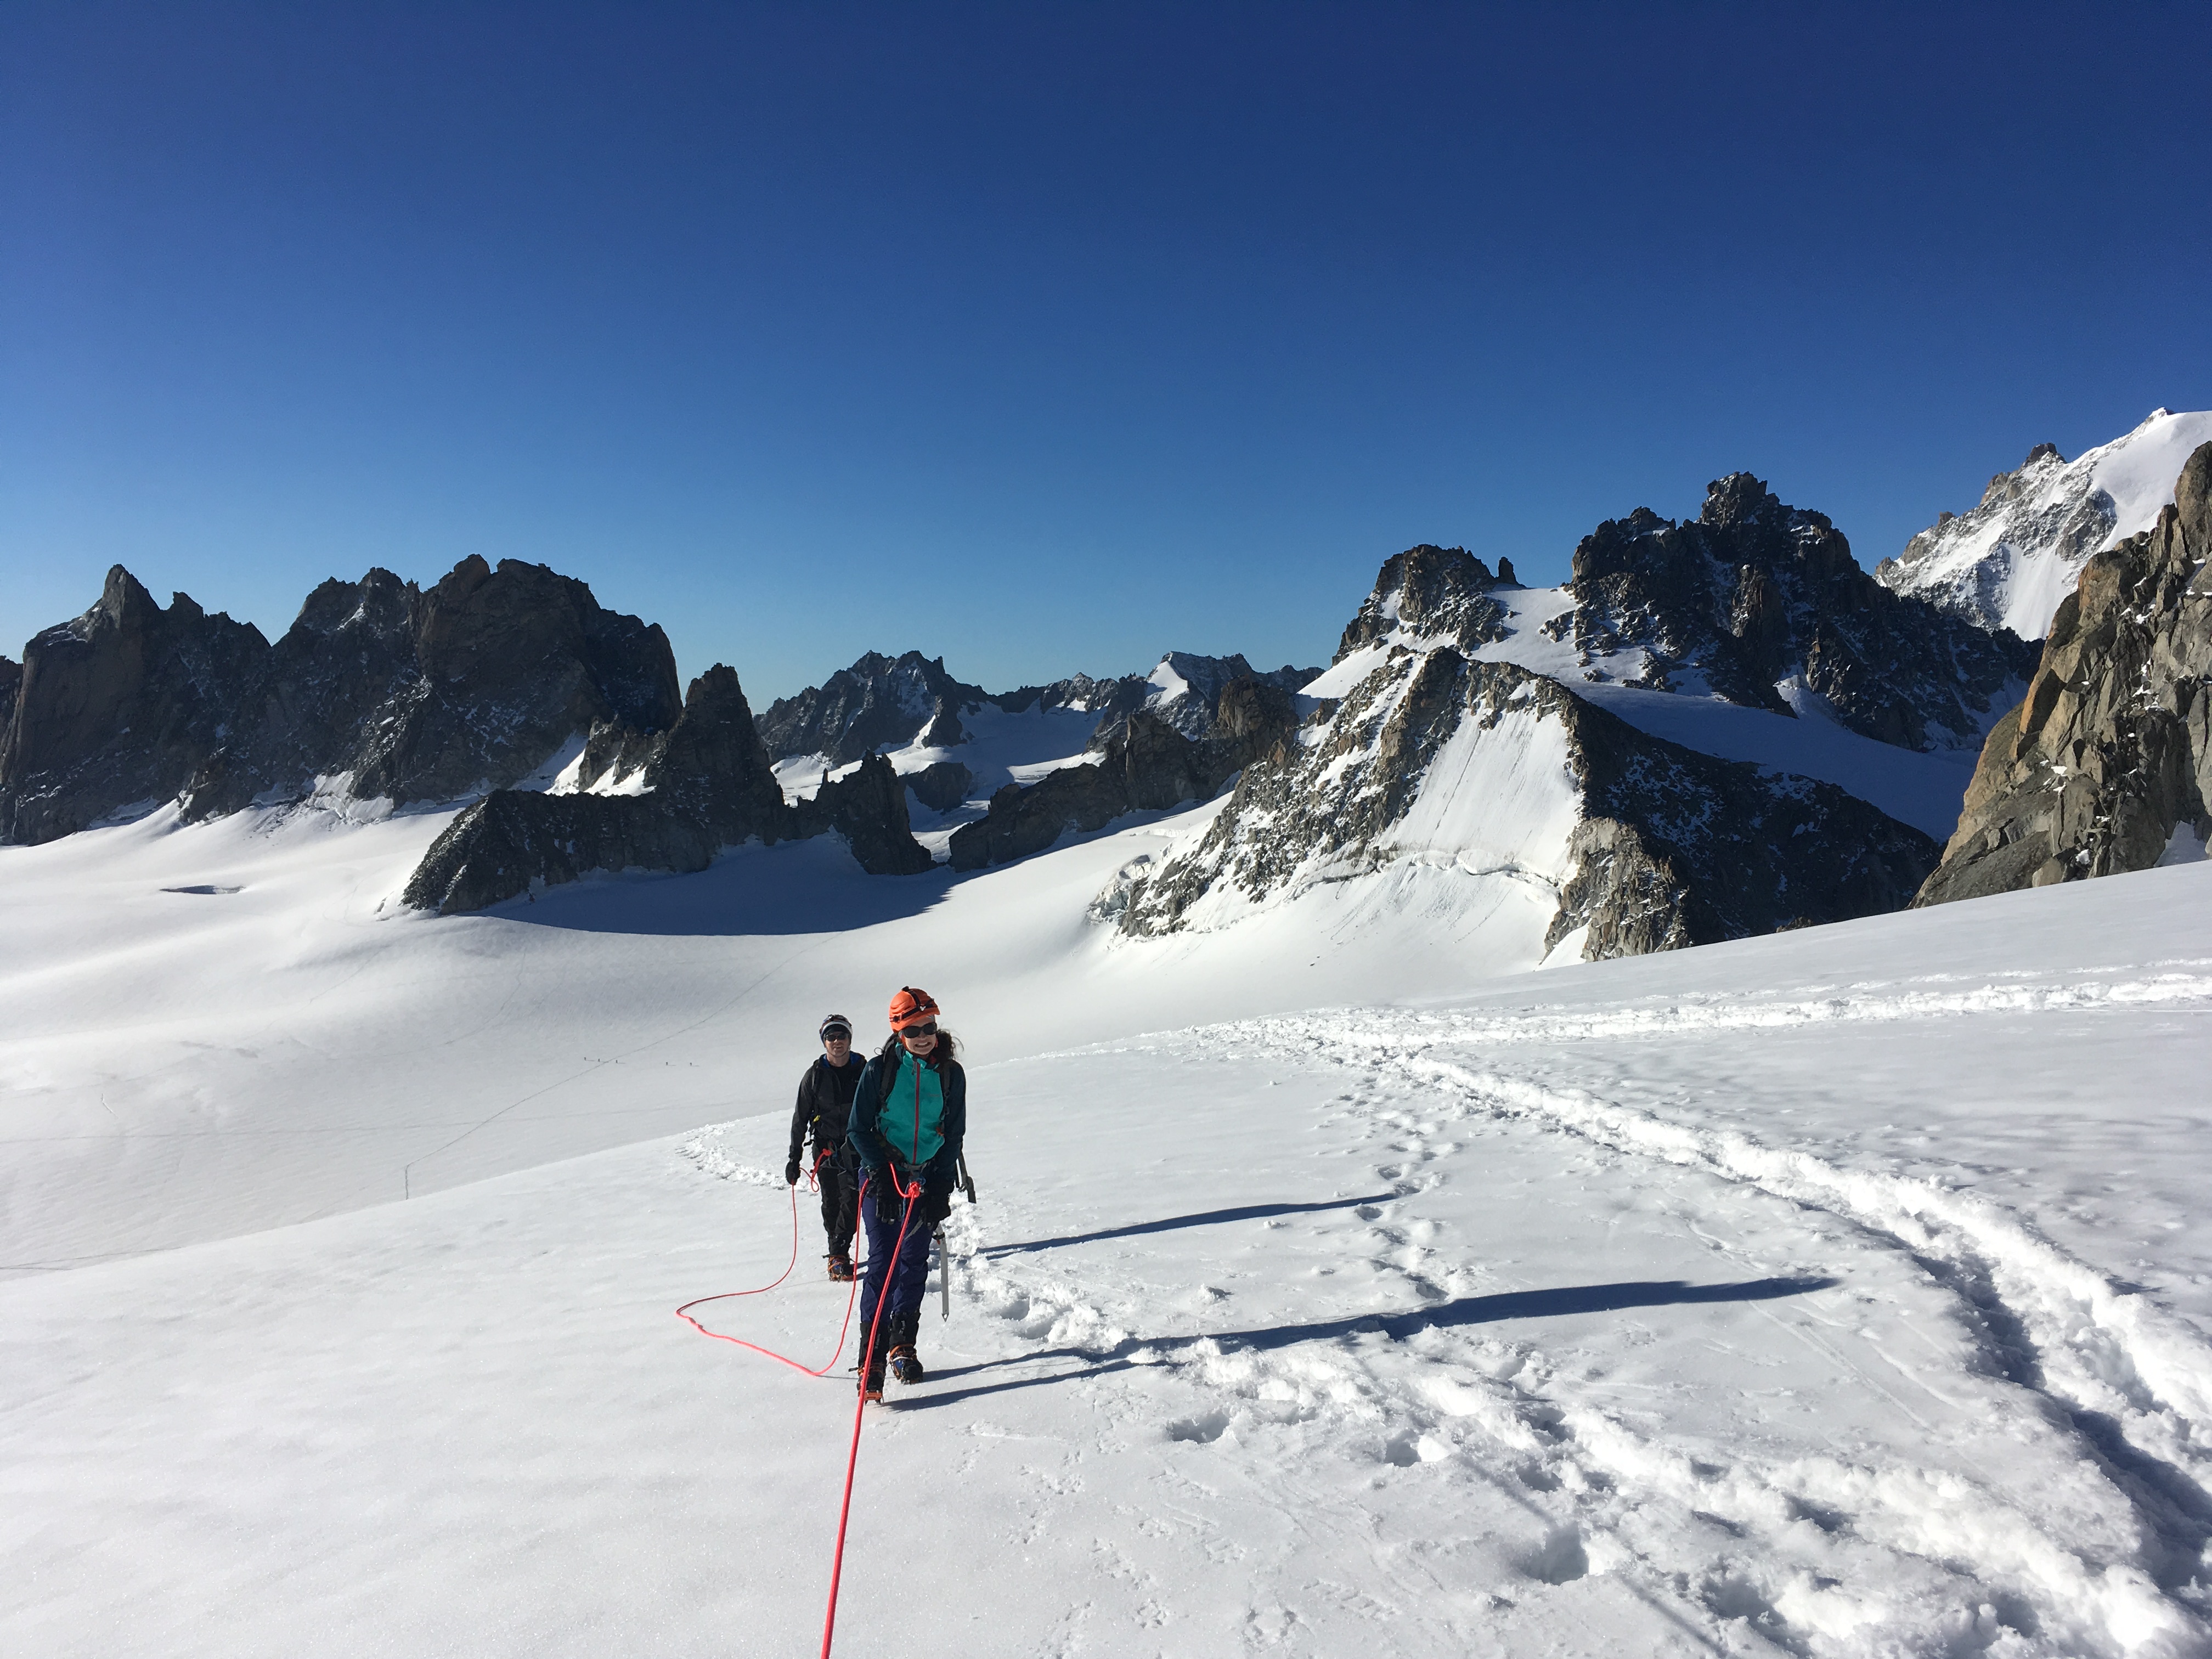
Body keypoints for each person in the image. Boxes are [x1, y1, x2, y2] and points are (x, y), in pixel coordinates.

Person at [847, 986, 966, 1400]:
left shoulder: (951, 1074)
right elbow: (858, 1129)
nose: (923, 1035)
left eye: (929, 1026)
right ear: (898, 1031)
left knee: (914, 1262)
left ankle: (902, 1345)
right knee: (884, 1263)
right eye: (913, 1028)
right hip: (884, 1177)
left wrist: (940, 1185)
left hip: (924, 1179)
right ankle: (871, 1359)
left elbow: (953, 1135)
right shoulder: (880, 1071)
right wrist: (878, 1171)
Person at [787, 1014, 865, 1280]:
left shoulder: (864, 1070)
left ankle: (839, 1253)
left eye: (841, 1035)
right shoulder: (814, 1077)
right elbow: (800, 1118)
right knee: (831, 1202)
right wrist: (793, 1158)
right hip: (826, 1151)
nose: (837, 1041)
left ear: (849, 1038)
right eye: (831, 1037)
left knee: (852, 1201)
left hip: (858, 1150)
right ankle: (837, 1255)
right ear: (824, 1042)